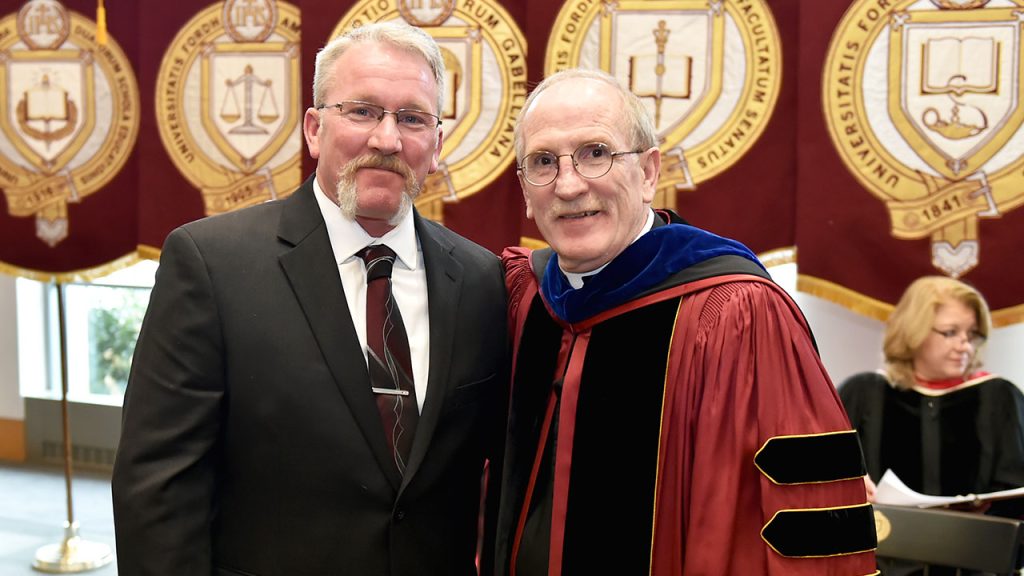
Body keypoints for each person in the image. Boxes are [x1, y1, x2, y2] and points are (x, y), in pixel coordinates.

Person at [112, 22, 508, 576]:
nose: (387, 140)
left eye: (412, 118)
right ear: (315, 129)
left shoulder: (481, 278)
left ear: (437, 145)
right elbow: (158, 482)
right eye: (363, 111)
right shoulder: (212, 263)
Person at [493, 68, 876, 575]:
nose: (568, 185)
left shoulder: (738, 313)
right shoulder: (525, 298)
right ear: (524, 188)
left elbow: (802, 527)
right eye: (544, 162)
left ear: (649, 172)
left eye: (596, 153)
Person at [839, 276, 1024, 508]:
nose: (965, 345)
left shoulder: (998, 397)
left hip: (977, 542)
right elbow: (824, 471)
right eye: (950, 332)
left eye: (971, 334)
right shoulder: (864, 394)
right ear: (914, 330)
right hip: (884, 539)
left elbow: (1015, 490)